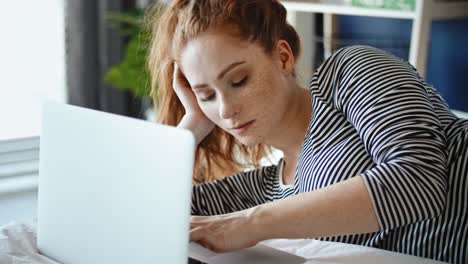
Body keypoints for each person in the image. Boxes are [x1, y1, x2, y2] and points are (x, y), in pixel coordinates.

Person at [146, 1, 468, 263]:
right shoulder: (267, 188)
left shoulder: (348, 71)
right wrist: (191, 127)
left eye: (238, 80)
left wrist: (250, 223)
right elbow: (146, 212)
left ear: (283, 57)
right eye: (207, 95)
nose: (226, 110)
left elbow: (419, 180)